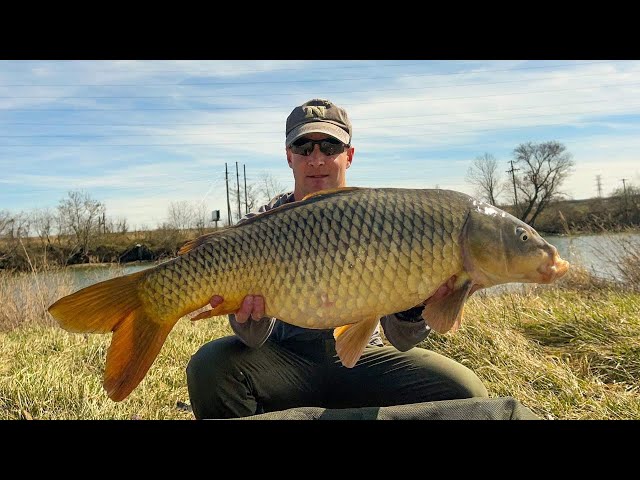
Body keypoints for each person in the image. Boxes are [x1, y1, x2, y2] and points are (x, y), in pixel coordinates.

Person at [185, 98, 534, 420]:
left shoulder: (381, 218)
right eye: (304, 147)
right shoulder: (258, 226)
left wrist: (417, 305)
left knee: (464, 390)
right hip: (286, 359)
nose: (317, 158)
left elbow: (402, 339)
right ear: (289, 156)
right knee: (208, 368)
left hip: (367, 355)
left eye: (330, 146)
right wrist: (249, 317)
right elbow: (252, 340)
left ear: (349, 155)